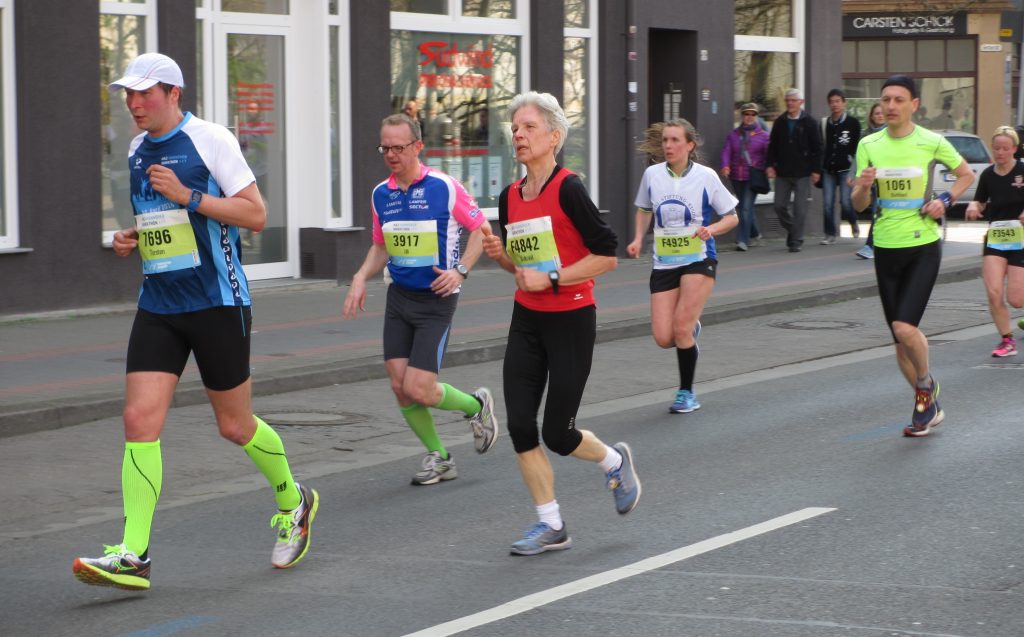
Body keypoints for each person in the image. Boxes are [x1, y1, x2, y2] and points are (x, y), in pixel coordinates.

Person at [72, 53, 318, 591]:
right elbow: (157, 222)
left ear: (173, 92)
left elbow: (256, 213)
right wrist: (128, 238)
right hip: (160, 304)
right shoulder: (137, 149)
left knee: (234, 426)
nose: (134, 104)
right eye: (128, 95)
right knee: (139, 421)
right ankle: (134, 554)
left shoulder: (211, 140)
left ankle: (293, 501)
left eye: (145, 94)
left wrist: (190, 196)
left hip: (217, 302)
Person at [479, 91, 640, 556]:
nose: (518, 134)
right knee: (521, 427)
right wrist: (504, 259)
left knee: (558, 433)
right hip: (527, 319)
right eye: (515, 128)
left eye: (528, 127)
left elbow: (607, 255)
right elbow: (524, 266)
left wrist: (551, 276)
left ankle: (613, 460)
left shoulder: (570, 188)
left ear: (553, 136)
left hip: (571, 320)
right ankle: (550, 524)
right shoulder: (510, 197)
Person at [342, 113, 498, 486]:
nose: (392, 155)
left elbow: (482, 230)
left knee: (419, 389)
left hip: (436, 300)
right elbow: (381, 245)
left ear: (417, 147)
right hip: (399, 297)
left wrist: (459, 270)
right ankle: (440, 458)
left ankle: (476, 406)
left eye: (399, 147)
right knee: (399, 386)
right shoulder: (381, 194)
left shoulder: (444, 187)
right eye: (385, 148)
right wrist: (360, 277)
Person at [852, 75, 974, 437]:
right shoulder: (869, 145)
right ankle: (927, 404)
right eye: (886, 99)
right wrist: (863, 186)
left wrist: (946, 200)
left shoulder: (931, 141)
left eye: (899, 100)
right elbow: (859, 206)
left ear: (914, 105)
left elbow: (965, 175)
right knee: (899, 342)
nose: (890, 106)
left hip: (922, 244)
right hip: (885, 246)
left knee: (906, 327)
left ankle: (925, 386)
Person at [630, 119, 738, 413]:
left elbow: (732, 216)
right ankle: (690, 330)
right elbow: (644, 210)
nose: (668, 146)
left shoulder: (706, 176)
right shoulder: (652, 175)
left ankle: (686, 392)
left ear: (690, 145)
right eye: (665, 140)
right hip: (664, 263)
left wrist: (711, 230)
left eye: (675, 140)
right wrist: (638, 238)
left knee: (679, 328)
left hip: (699, 259)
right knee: (664, 337)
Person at [965, 126, 1024, 357]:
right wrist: (973, 205)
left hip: (1020, 239)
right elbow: (980, 201)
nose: (1000, 153)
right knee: (993, 292)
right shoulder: (988, 175)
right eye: (996, 148)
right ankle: (1006, 340)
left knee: (1017, 300)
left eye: (1005, 148)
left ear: (1014, 150)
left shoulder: (1022, 171)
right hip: (996, 238)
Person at [766, 88, 822, 252]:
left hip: (803, 173)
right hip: (782, 172)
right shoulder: (780, 122)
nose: (790, 103)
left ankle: (796, 241)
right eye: (787, 101)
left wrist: (816, 170)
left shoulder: (810, 122)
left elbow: (817, 148)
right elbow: (772, 146)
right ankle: (794, 230)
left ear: (801, 102)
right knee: (778, 206)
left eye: (793, 100)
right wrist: (769, 165)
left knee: (800, 209)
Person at [721, 103, 768, 251]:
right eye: (747, 114)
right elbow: (727, 151)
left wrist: (767, 167)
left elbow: (768, 154)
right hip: (736, 176)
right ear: (742, 116)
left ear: (757, 117)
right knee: (744, 207)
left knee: (746, 208)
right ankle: (755, 233)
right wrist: (725, 166)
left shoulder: (764, 136)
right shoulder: (734, 134)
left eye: (753, 114)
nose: (749, 117)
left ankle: (742, 240)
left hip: (752, 177)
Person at [820, 89, 861, 244]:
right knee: (827, 203)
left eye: (838, 101)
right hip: (828, 169)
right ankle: (830, 234)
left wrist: (854, 168)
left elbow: (857, 148)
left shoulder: (853, 123)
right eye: (832, 101)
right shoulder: (824, 124)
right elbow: (821, 146)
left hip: (846, 169)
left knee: (845, 202)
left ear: (844, 103)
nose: (835, 104)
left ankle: (853, 223)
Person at [855, 103, 886, 260]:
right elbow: (861, 159)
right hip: (870, 179)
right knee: (876, 211)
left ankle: (870, 245)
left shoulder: (892, 133)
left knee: (877, 211)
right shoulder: (865, 135)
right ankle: (873, 245)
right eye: (876, 113)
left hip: (886, 179)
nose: (880, 115)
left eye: (882, 113)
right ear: (872, 116)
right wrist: (859, 178)